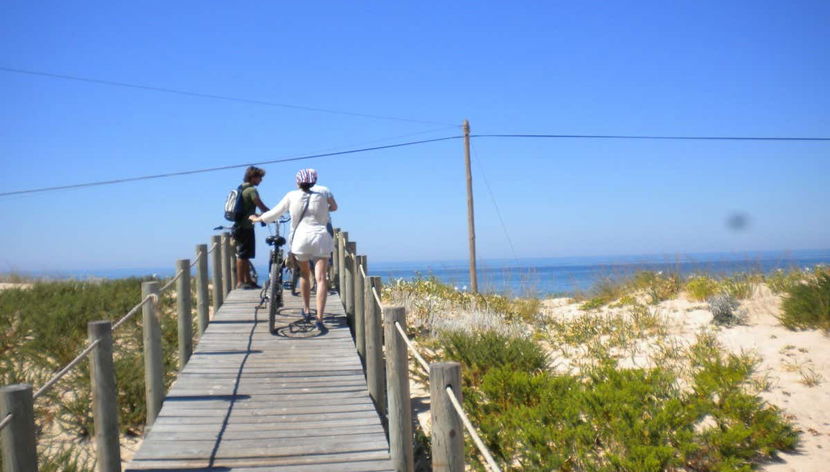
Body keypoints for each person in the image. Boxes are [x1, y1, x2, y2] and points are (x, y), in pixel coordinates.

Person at [250, 168, 337, 331]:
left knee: (304, 274)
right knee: (321, 279)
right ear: (314, 182)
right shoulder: (323, 195)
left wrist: (258, 218)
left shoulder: (291, 195)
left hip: (301, 240)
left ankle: (305, 309)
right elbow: (334, 207)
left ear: (298, 182)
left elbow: (274, 214)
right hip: (321, 238)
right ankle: (319, 318)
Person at [235, 166, 269, 289]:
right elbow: (261, 206)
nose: (261, 180)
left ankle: (248, 280)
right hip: (245, 226)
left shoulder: (242, 189)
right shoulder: (251, 191)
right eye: (260, 178)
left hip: (241, 226)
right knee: (243, 254)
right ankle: (240, 282)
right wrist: (273, 214)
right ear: (253, 177)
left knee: (246, 254)